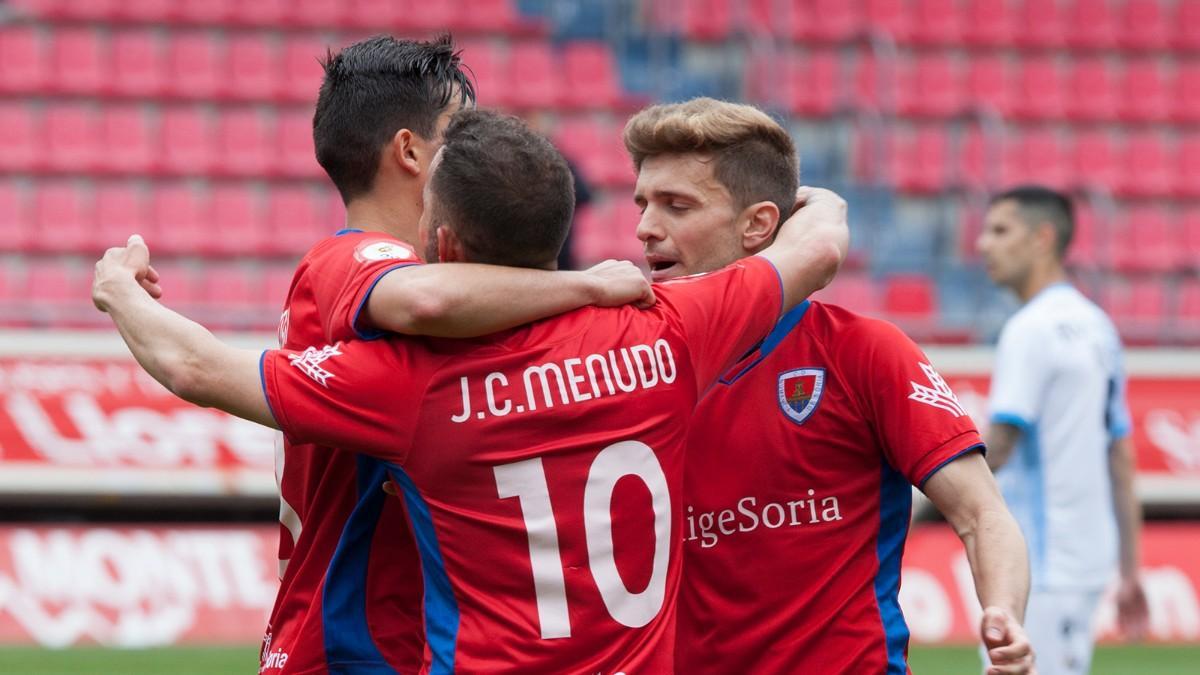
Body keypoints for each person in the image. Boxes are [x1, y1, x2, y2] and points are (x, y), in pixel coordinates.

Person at [91, 109, 849, 672]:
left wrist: (121, 289)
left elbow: (196, 368)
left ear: (443, 246)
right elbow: (820, 243)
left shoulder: (413, 382)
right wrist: (792, 190)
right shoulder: (669, 329)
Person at [244, 34, 657, 673]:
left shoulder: (394, 275)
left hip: (370, 632)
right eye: (455, 128)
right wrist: (586, 285)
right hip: (356, 639)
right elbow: (422, 301)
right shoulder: (360, 258)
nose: (470, 145)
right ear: (409, 151)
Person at [621, 98, 1035, 675]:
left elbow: (982, 513)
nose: (645, 227)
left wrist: (1003, 614)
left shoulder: (862, 352)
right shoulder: (629, 367)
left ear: (758, 224)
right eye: (643, 203)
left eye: (677, 205)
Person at [977, 186, 1148, 674]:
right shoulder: (1098, 326)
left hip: (1038, 563)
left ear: (1042, 238)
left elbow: (1001, 444)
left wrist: (921, 497)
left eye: (1000, 230)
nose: (983, 244)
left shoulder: (1030, 329)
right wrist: (1130, 571)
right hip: (1085, 561)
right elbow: (1120, 453)